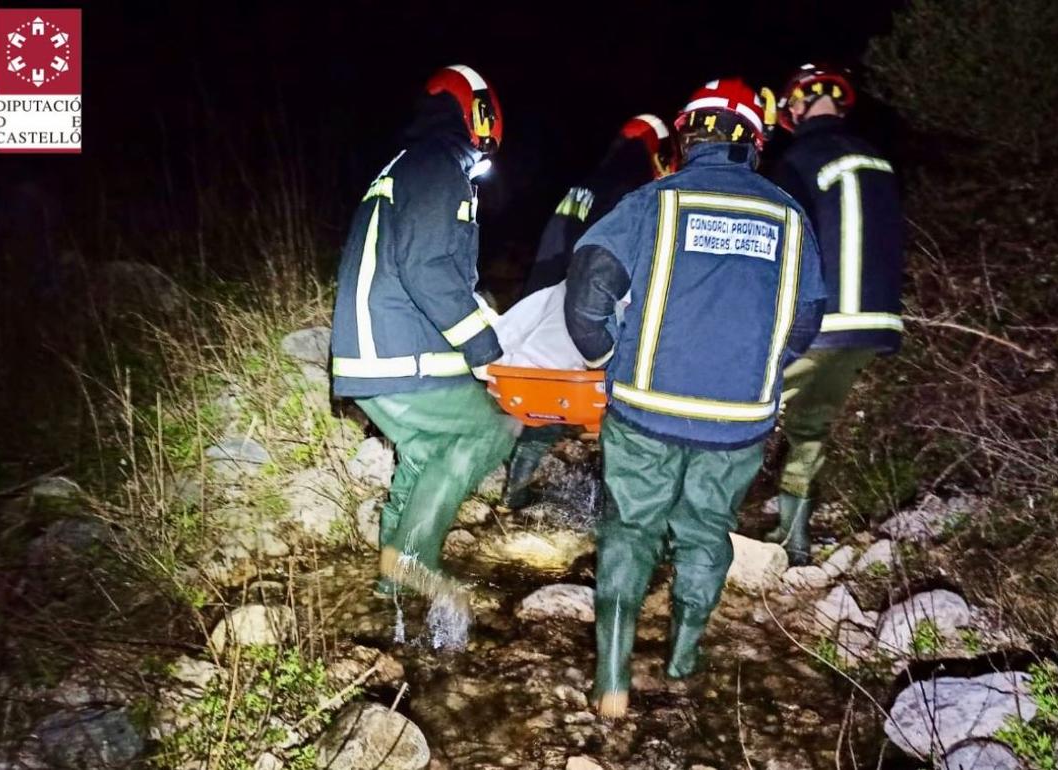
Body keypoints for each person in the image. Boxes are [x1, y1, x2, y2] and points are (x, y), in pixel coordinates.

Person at [564, 78, 827, 718]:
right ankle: (683, 664)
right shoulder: (790, 216)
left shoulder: (653, 200)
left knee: (630, 530)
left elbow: (588, 291)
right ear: (752, 144)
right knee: (707, 531)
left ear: (687, 136)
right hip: (738, 421)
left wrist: (605, 357)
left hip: (645, 411)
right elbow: (807, 317)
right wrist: (759, 370)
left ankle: (612, 684)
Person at [329, 65, 519, 619]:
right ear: (478, 114)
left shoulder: (406, 164)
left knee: (426, 451)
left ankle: (392, 576)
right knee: (491, 428)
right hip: (394, 350)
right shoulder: (440, 166)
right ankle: (412, 562)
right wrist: (484, 350)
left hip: (376, 347)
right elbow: (428, 266)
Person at [763, 63, 905, 565]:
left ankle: (699, 531)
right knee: (812, 427)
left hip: (819, 323)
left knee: (744, 418)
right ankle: (794, 543)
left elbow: (782, 243)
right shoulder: (877, 159)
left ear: (795, 107)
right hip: (874, 326)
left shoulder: (797, 160)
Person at [501, 114, 678, 510]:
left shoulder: (586, 185)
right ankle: (615, 506)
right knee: (617, 409)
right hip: (580, 308)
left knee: (543, 405)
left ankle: (513, 493)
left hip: (544, 305)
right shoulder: (629, 190)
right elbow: (613, 268)